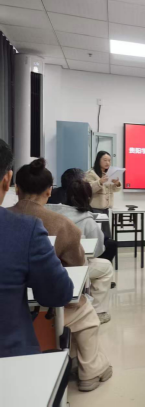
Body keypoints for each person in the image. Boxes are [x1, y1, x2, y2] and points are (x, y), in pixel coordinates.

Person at [10, 159, 112, 392]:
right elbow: (78, 268)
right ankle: (90, 371)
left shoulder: (6, 218)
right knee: (83, 309)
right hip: (42, 310)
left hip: (10, 308)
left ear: (16, 189)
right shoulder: (64, 225)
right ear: (49, 191)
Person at [0, 140, 74, 358]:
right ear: (7, 180)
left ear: (16, 187)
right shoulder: (25, 229)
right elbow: (58, 294)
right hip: (11, 364)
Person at [46, 179, 115, 324]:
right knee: (106, 267)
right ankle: (98, 311)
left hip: (45, 268)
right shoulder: (87, 220)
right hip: (73, 268)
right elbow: (98, 250)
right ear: (88, 197)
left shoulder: (48, 213)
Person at [85, 151, 122, 238]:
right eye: (105, 160)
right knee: (97, 234)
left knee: (105, 234)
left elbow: (113, 189)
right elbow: (88, 189)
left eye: (109, 160)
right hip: (94, 209)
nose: (107, 163)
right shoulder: (91, 174)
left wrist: (117, 184)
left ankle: (106, 246)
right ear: (98, 160)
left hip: (105, 208)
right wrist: (100, 182)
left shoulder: (108, 174)